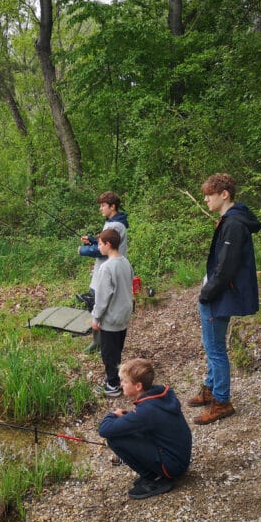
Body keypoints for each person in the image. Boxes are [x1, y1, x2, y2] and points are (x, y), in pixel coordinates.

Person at [188, 173, 261, 425]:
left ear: (224, 194)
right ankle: (210, 387)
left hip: (219, 295)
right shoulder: (230, 220)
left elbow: (227, 267)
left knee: (215, 349)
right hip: (219, 293)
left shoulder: (233, 224)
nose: (206, 199)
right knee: (212, 343)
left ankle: (221, 402)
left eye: (209, 195)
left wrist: (206, 293)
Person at [98, 358, 192, 500]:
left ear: (138, 386)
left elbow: (104, 430)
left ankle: (155, 478)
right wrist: (129, 418)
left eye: (124, 381)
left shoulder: (146, 411)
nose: (121, 384)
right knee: (130, 430)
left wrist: (113, 415)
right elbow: (152, 420)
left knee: (114, 438)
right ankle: (156, 473)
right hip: (179, 458)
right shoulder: (162, 394)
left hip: (172, 467)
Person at [77, 192, 129, 353]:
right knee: (94, 302)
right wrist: (93, 240)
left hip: (108, 271)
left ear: (112, 207)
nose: (100, 208)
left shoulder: (116, 225)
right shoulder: (111, 222)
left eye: (103, 205)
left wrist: (83, 250)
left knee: (102, 305)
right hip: (102, 270)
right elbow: (105, 241)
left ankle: (104, 343)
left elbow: (103, 249)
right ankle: (96, 341)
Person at [91, 228, 134, 397]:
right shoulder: (125, 262)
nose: (99, 247)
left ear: (108, 245)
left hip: (111, 318)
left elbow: (102, 298)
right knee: (117, 349)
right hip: (124, 315)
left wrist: (96, 317)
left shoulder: (106, 268)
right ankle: (118, 378)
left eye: (100, 244)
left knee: (109, 353)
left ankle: (112, 385)